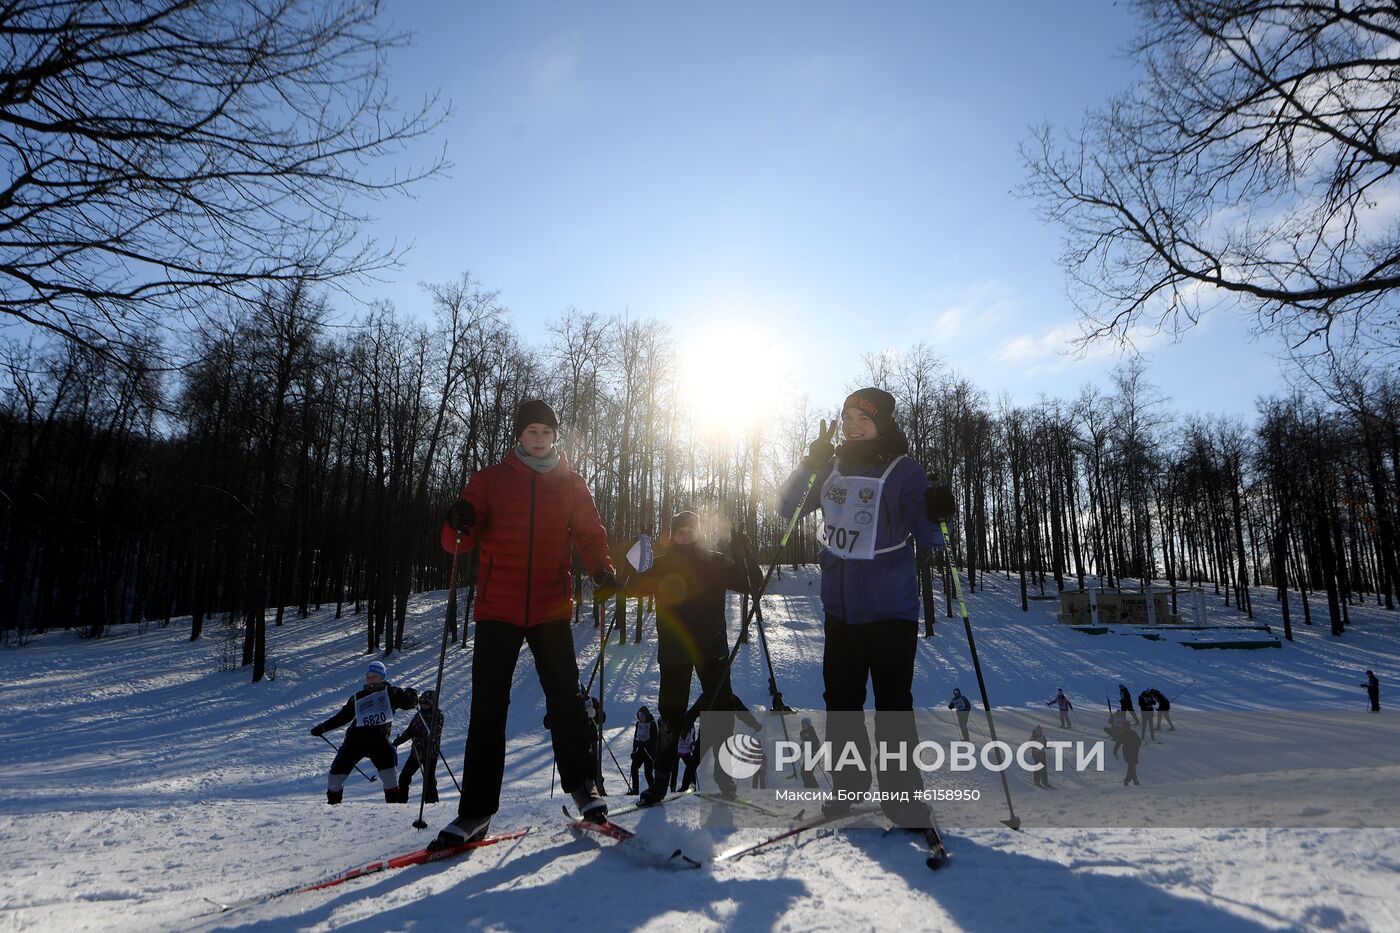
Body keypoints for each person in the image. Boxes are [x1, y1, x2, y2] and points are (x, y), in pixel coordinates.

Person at [429, 399, 617, 850]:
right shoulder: (489, 480)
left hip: (551, 606)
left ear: (555, 437)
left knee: (567, 701)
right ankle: (475, 812)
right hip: (499, 607)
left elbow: (591, 534)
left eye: (545, 432)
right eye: (531, 432)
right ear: (519, 436)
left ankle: (583, 788)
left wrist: (601, 569)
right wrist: (457, 523)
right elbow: (459, 540)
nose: (538, 439)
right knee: (488, 708)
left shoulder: (572, 484)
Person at [777, 387, 945, 829]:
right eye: (847, 416)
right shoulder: (832, 465)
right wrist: (808, 465)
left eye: (863, 419)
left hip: (891, 611)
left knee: (892, 705)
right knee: (842, 703)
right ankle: (848, 787)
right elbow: (786, 507)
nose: (852, 424)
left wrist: (938, 510)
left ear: (882, 425)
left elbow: (929, 536)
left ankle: (903, 798)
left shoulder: (904, 470)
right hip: (841, 611)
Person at [627, 510, 761, 805]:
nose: (686, 536)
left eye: (690, 530)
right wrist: (644, 547)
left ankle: (725, 780)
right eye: (680, 532)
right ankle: (661, 781)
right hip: (675, 652)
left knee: (722, 711)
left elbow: (750, 582)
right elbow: (634, 588)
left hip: (712, 650)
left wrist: (743, 553)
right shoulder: (661, 565)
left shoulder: (714, 561)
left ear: (698, 532)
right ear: (673, 535)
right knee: (671, 717)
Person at [310, 660, 418, 805]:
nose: (371, 679)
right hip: (355, 742)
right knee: (335, 778)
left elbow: (408, 704)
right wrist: (323, 727)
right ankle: (333, 808)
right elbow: (344, 716)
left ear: (382, 677)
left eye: (374, 676)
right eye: (368, 676)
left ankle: (393, 810)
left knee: (390, 779)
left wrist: (411, 696)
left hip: (379, 743)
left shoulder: (391, 693)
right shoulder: (358, 696)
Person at [392, 689, 445, 803]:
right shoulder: (418, 715)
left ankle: (432, 803)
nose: (424, 706)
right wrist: (399, 741)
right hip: (416, 752)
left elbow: (433, 733)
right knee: (404, 777)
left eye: (427, 704)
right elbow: (410, 730)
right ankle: (401, 802)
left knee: (429, 780)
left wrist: (418, 733)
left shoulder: (438, 716)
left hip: (430, 753)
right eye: (422, 704)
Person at [1105, 712, 1142, 786]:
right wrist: (1137, 747)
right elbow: (1139, 742)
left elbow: (1118, 743)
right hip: (1133, 752)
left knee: (1132, 766)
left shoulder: (1123, 734)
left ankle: (1134, 781)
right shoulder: (1132, 732)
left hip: (1128, 752)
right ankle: (1127, 780)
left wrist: (1115, 752)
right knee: (1131, 766)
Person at [631, 706, 658, 796]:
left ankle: (654, 790)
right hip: (641, 750)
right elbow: (636, 738)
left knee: (648, 774)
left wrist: (653, 753)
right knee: (634, 767)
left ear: (646, 715)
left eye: (642, 715)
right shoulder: (638, 724)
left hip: (649, 752)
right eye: (639, 715)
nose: (640, 717)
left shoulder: (652, 724)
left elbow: (654, 740)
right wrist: (634, 750)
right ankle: (635, 790)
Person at [675, 721, 701, 792]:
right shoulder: (679, 723)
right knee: (689, 767)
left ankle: (692, 786)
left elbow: (693, 735)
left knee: (691, 767)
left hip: (686, 750)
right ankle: (675, 787)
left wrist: (692, 744)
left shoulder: (690, 724)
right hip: (678, 749)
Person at [798, 717, 822, 788]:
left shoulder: (811, 730)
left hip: (814, 754)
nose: (803, 725)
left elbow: (815, 742)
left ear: (808, 724)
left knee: (807, 771)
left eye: (804, 723)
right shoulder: (802, 733)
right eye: (802, 723)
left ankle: (813, 786)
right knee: (803, 771)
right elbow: (803, 743)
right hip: (809, 754)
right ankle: (809, 785)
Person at [1029, 724, 1052, 788]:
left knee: (1044, 768)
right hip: (1036, 754)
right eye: (1039, 731)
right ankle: (1036, 781)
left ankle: (1045, 781)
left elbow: (1046, 744)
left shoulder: (1042, 737)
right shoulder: (1033, 737)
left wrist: (1050, 745)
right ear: (1036, 731)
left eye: (1041, 731)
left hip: (1042, 754)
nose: (1040, 732)